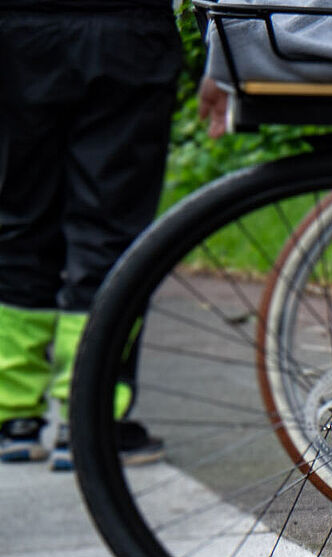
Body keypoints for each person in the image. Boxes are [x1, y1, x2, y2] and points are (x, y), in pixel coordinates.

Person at [0, 0, 178, 469]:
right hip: (124, 30)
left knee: (19, 219)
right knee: (109, 232)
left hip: (19, 29)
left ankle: (12, 415)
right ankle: (88, 417)